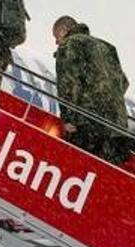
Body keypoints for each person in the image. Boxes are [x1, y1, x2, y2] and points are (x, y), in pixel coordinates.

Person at [52, 16, 130, 164]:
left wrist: (68, 118)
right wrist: (107, 102)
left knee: (78, 167)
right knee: (105, 174)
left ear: (63, 30)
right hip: (117, 129)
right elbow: (124, 83)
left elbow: (69, 84)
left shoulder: (69, 45)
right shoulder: (107, 47)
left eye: (56, 37)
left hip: (89, 125)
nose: (56, 42)